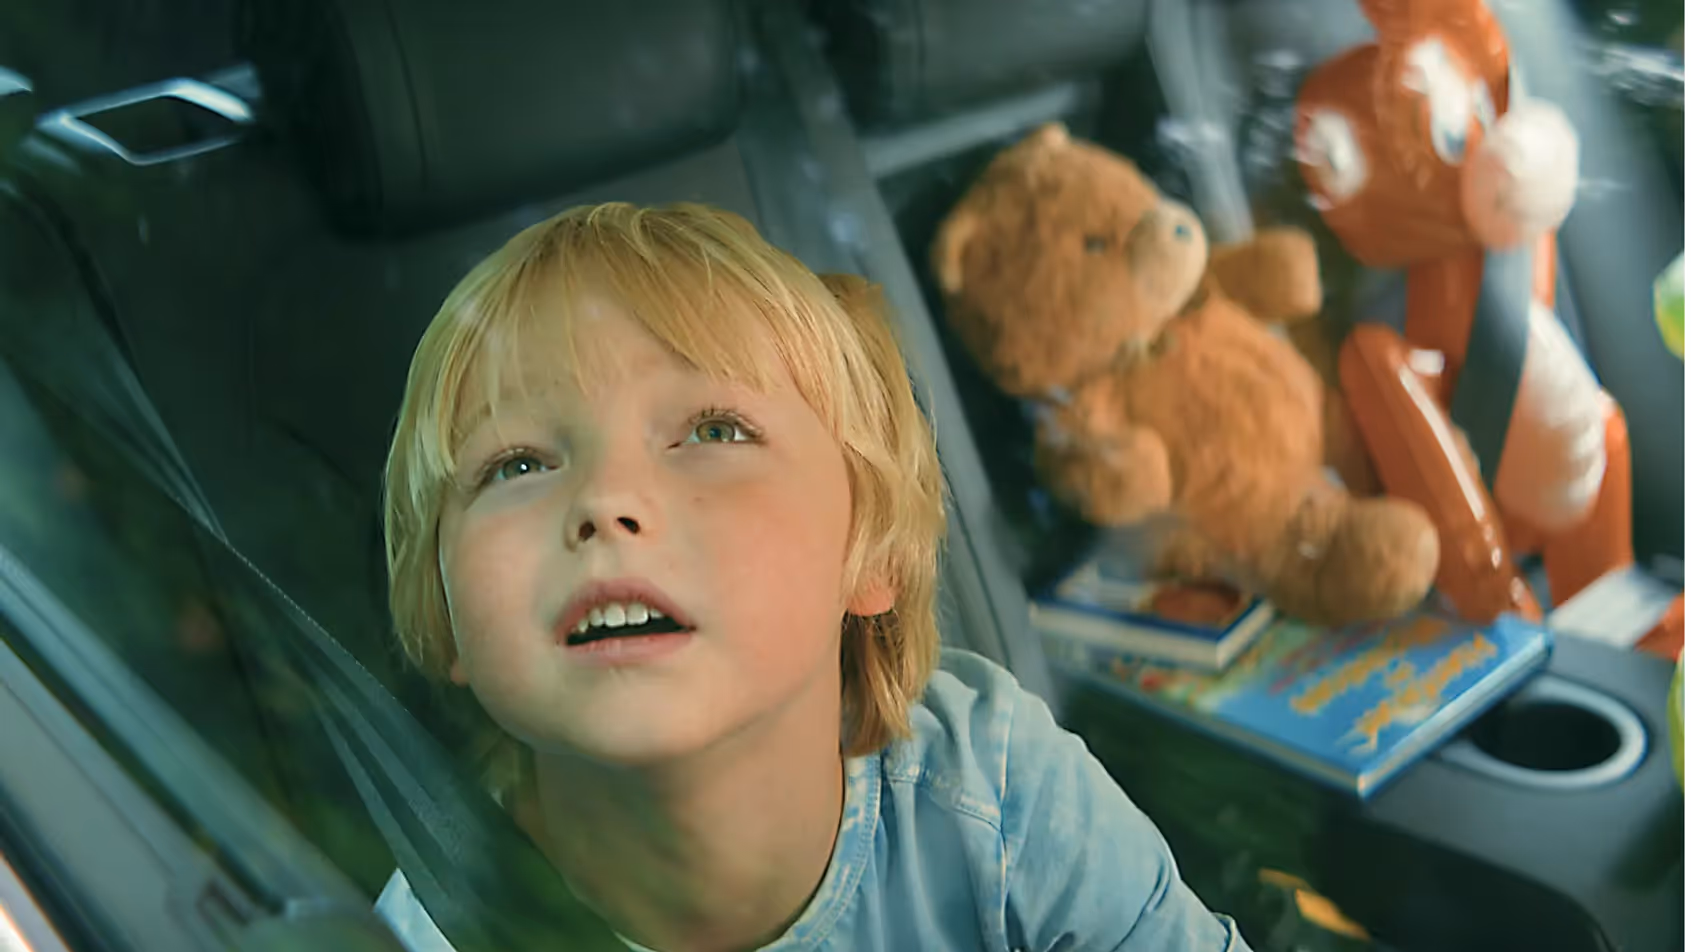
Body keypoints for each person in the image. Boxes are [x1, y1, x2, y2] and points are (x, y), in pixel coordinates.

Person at [373, 202, 1250, 951]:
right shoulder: (433, 923)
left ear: (866, 553)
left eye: (713, 431)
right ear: (445, 610)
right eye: (516, 464)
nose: (606, 500)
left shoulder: (995, 786)